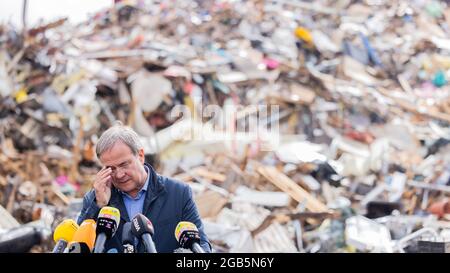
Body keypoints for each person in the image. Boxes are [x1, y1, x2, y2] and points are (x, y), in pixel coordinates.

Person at [77, 122, 211, 253]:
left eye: (124, 164)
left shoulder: (178, 193)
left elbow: (202, 246)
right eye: (110, 168)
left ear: (140, 156)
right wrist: (98, 205)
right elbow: (78, 247)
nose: (119, 174)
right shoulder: (95, 199)